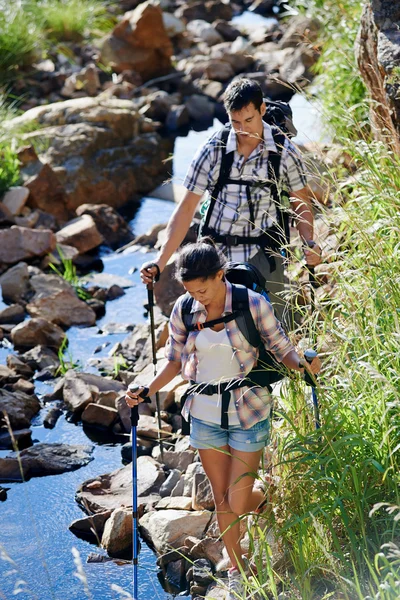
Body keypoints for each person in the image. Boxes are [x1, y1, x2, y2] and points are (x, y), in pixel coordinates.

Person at [126, 238, 321, 600]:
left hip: (249, 408)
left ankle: (263, 497)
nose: (198, 297)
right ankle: (237, 569)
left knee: (234, 496)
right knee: (221, 498)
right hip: (204, 413)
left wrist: (304, 367)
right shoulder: (184, 309)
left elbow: (281, 349)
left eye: (203, 289)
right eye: (190, 290)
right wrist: (145, 388)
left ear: (221, 275)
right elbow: (172, 360)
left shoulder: (252, 303)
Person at [140, 77, 322, 321]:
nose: (243, 129)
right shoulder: (213, 150)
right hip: (216, 255)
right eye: (235, 122)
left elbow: (301, 202)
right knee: (215, 332)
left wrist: (309, 241)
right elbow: (186, 209)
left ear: (262, 110)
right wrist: (160, 262)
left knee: (274, 333)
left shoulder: (283, 151)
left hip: (265, 253)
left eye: (249, 120)